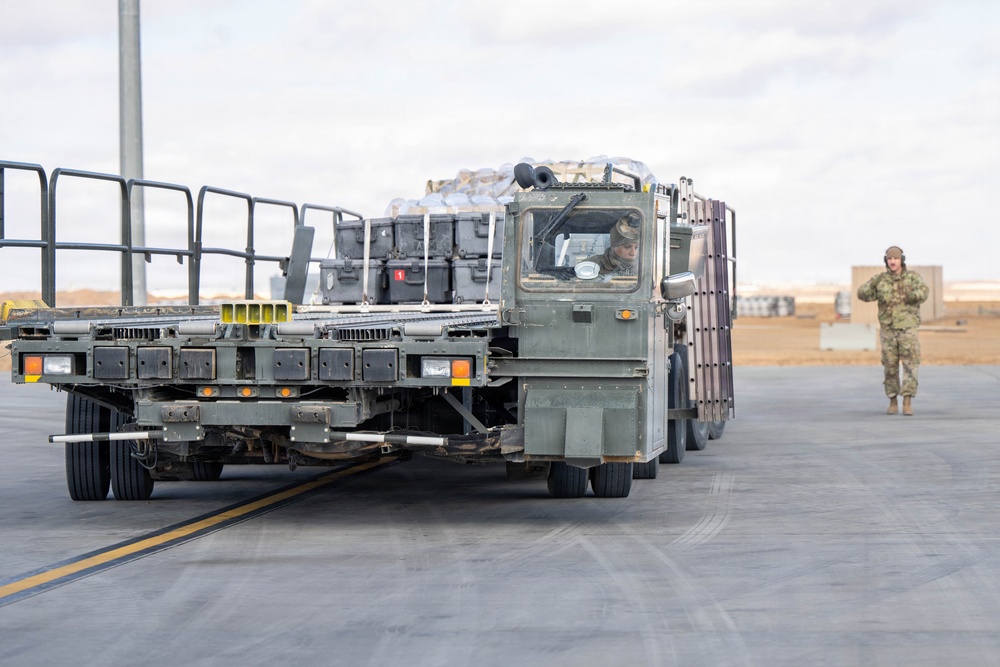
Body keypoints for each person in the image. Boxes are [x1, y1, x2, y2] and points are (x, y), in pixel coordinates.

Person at [857, 246, 929, 415]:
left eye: (895, 258)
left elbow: (924, 292)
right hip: (888, 331)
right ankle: (892, 401)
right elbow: (862, 294)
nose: (892, 261)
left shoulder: (912, 278)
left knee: (910, 366)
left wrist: (911, 295)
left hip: (907, 330)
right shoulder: (881, 280)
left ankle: (907, 401)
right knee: (890, 366)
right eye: (889, 259)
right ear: (886, 261)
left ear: (901, 260)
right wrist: (873, 284)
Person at [585, 212, 640, 277]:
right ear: (613, 247)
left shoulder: (645, 267)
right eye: (627, 247)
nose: (633, 253)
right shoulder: (590, 265)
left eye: (637, 247)